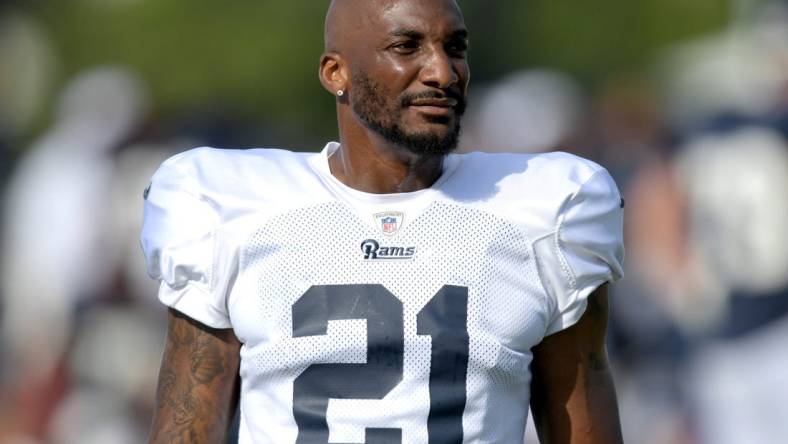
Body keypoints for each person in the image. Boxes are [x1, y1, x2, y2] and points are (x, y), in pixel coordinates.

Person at [140, 0, 625, 442]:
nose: (442, 72)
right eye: (406, 46)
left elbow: (581, 415)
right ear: (336, 72)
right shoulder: (231, 208)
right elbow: (191, 419)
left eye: (454, 47)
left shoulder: (541, 212)